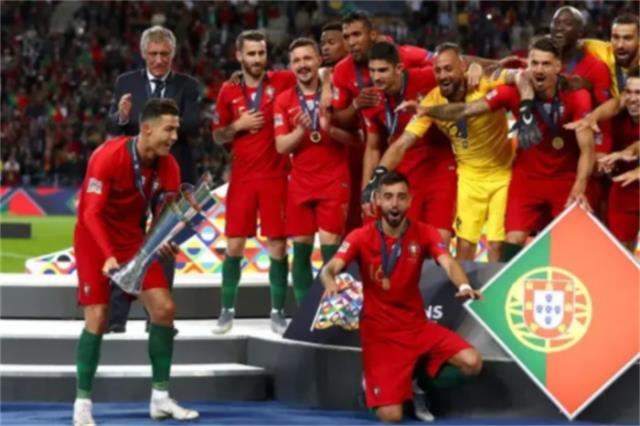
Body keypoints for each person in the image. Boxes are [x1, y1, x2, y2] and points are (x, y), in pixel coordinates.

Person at [73, 99, 199, 425]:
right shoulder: (107, 156)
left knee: (164, 309)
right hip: (94, 239)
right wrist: (108, 255)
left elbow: (162, 217)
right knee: (98, 317)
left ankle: (160, 399)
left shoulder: (169, 165)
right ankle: (82, 405)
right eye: (169, 129)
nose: (174, 136)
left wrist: (166, 240)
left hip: (133, 241)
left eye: (176, 129)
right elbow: (90, 213)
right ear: (146, 129)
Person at [321, 171, 482, 423]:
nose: (394, 204)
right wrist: (330, 280)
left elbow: (448, 262)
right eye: (388, 197)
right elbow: (330, 267)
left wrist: (463, 285)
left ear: (410, 201)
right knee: (392, 417)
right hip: (380, 333)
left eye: (400, 197)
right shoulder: (360, 236)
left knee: (472, 362)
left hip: (416, 326)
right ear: (378, 200)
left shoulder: (425, 232)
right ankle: (372, 386)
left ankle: (416, 384)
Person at [422, 37, 596, 261]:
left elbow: (587, 149)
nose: (538, 69)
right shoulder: (511, 92)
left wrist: (579, 186)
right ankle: (506, 280)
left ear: (558, 66)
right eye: (534, 63)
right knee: (512, 239)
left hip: (564, 178)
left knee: (568, 240)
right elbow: (467, 109)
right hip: (526, 179)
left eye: (545, 64)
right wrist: (427, 110)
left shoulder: (577, 96)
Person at [367, 43, 517, 262]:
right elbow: (403, 142)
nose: (443, 75)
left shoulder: (484, 83)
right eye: (438, 70)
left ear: (463, 66)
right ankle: (462, 284)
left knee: (496, 244)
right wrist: (378, 175)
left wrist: (486, 68)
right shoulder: (431, 100)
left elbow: (519, 76)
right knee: (464, 244)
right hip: (468, 178)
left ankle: (497, 284)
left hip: (502, 174)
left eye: (448, 69)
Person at [106, 25, 201, 333]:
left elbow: (192, 124)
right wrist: (122, 116)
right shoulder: (126, 82)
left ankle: (157, 317)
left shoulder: (186, 85)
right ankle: (116, 318)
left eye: (165, 54)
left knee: (164, 244)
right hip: (131, 173)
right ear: (143, 54)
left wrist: (154, 127)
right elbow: (114, 126)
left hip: (174, 171)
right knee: (124, 240)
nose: (159, 60)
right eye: (154, 54)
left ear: (173, 55)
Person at [212, 30, 296, 334]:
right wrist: (238, 125)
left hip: (276, 176)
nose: (257, 59)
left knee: (277, 245)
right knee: (234, 244)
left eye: (261, 53)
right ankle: (226, 311)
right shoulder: (228, 90)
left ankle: (277, 312)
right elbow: (217, 135)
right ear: (239, 56)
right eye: (251, 54)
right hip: (243, 178)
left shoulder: (282, 80)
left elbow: (313, 71)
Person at [274, 38, 353, 305]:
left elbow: (358, 139)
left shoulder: (336, 95)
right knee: (301, 252)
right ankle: (304, 314)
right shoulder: (284, 100)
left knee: (331, 252)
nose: (302, 65)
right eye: (296, 60)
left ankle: (332, 313)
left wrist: (331, 129)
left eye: (308, 58)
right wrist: (300, 130)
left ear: (319, 60)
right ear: (290, 66)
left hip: (334, 180)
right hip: (301, 183)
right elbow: (281, 146)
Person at [360, 42, 456, 244]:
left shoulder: (426, 77)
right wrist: (367, 189)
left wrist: (476, 68)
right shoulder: (371, 99)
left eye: (383, 70)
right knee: (406, 240)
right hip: (404, 168)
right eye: (372, 71)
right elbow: (373, 148)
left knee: (440, 239)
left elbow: (457, 66)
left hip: (440, 166)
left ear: (399, 68)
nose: (376, 77)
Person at [565, 68, 640, 251]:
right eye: (629, 92)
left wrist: (628, 152)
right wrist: (592, 118)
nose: (632, 98)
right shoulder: (619, 111)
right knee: (620, 250)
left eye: (639, 93)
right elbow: (616, 103)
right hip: (626, 183)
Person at [581, 13, 639, 98]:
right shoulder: (605, 50)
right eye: (615, 37)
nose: (620, 45)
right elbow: (574, 43)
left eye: (627, 38)